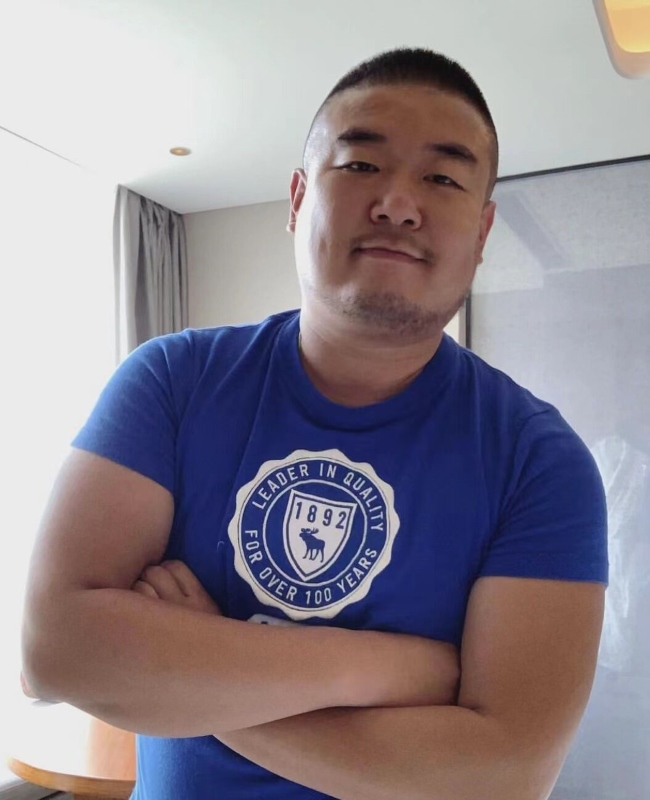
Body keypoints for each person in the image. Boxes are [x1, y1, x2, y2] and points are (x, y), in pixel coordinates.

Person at [22, 47, 608, 800]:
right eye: (361, 165)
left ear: (483, 231)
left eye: (442, 178)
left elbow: (503, 775)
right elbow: (57, 652)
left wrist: (196, 679)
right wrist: (394, 668)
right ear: (298, 198)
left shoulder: (539, 461)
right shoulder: (171, 382)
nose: (398, 203)